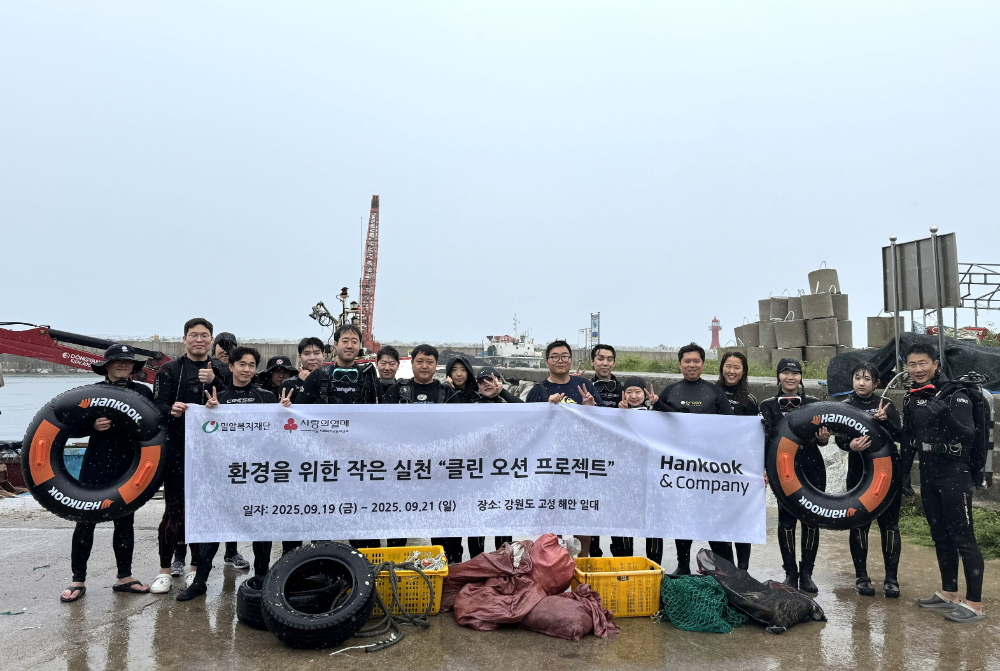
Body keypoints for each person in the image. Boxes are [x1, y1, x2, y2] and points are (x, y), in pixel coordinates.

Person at [177, 347, 292, 601]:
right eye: (242, 364)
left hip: (257, 475)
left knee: (261, 527)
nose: (247, 369)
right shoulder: (217, 398)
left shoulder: (266, 398)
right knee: (216, 526)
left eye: (252, 365)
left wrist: (285, 411)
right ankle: (200, 581)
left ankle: (261, 577)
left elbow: (280, 435)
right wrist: (208, 412)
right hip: (225, 475)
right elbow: (204, 433)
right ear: (231, 366)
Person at [60, 345, 154, 602]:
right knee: (85, 521)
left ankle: (124, 577)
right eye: (117, 361)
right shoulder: (93, 393)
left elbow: (156, 428)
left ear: (134, 367)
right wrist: (92, 425)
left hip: (129, 465)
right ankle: (78, 579)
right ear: (107, 366)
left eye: (127, 361)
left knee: (125, 522)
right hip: (96, 463)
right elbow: (68, 428)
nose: (123, 365)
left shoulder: (143, 392)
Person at [904, 343, 986, 622]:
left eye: (923, 363)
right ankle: (949, 593)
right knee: (940, 535)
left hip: (954, 473)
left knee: (963, 537)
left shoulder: (955, 395)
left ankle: (974, 604)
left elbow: (969, 435)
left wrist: (946, 416)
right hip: (929, 474)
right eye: (912, 364)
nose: (918, 369)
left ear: (935, 364)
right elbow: (909, 438)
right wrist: (905, 475)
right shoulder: (912, 397)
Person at [150, 318, 231, 595]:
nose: (199, 340)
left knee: (203, 511)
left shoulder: (222, 369)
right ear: (184, 339)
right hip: (177, 449)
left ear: (212, 341)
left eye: (205, 335)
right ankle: (164, 570)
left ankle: (196, 569)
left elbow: (236, 401)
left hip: (211, 452)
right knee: (174, 510)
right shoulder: (169, 370)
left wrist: (217, 381)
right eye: (194, 335)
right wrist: (170, 409)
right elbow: (156, 406)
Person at [652, 343, 734, 574]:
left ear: (702, 364)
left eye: (696, 361)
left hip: (709, 467)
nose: (691, 365)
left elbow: (731, 427)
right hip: (680, 467)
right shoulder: (669, 392)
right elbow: (656, 427)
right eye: (687, 361)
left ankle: (723, 568)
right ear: (679, 364)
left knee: (713, 517)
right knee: (683, 516)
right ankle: (682, 565)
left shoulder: (714, 393)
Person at [301, 324, 383, 549]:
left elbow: (382, 415)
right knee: (323, 518)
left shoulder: (368, 376)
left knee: (362, 518)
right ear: (335, 344)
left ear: (360, 346)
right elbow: (299, 415)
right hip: (325, 461)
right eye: (345, 340)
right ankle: (321, 564)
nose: (349, 345)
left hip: (359, 461)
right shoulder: (319, 376)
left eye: (354, 341)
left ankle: (366, 565)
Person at [759, 357, 830, 593]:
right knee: (787, 521)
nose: (790, 377)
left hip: (812, 468)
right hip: (784, 470)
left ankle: (807, 573)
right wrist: (765, 469)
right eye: (785, 373)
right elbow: (765, 441)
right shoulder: (767, 406)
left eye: (795, 373)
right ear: (778, 376)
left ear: (801, 377)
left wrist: (823, 438)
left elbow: (823, 441)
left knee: (811, 521)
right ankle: (790, 572)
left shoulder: (813, 403)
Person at [526, 340, 600, 557]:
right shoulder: (538, 391)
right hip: (549, 464)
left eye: (565, 356)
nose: (561, 360)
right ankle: (552, 562)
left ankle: (582, 561)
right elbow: (527, 429)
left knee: (582, 512)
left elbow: (604, 423)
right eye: (555, 356)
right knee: (552, 513)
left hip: (580, 462)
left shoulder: (585, 386)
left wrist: (591, 409)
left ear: (571, 359)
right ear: (547, 361)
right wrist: (545, 410)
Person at [836, 362, 903, 598]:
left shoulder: (886, 405)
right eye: (857, 378)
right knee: (859, 525)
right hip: (858, 475)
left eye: (867, 379)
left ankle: (891, 579)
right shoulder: (845, 406)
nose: (861, 383)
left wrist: (885, 421)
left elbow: (900, 436)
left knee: (890, 526)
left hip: (886, 475)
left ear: (876, 383)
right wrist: (850, 445)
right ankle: (862, 577)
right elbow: (840, 440)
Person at [384, 344, 458, 556]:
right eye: (420, 361)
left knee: (439, 523)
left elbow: (461, 426)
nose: (424, 366)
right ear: (412, 363)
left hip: (438, 470)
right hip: (403, 469)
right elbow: (382, 426)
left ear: (436, 366)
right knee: (399, 523)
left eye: (429, 362)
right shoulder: (398, 390)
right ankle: (394, 567)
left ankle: (443, 567)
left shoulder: (447, 392)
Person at [467, 366, 521, 558]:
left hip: (503, 472)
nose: (487, 385)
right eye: (482, 382)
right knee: (476, 522)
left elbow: (529, 412)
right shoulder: (468, 404)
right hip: (477, 473)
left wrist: (503, 392)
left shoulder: (508, 404)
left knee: (504, 521)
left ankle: (503, 565)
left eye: (492, 380)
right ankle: (476, 563)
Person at [606, 377, 661, 560]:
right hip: (624, 478)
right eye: (629, 392)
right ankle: (625, 563)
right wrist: (621, 416)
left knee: (653, 523)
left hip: (651, 477)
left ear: (645, 393)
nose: (634, 396)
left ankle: (654, 567)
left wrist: (658, 406)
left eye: (638, 391)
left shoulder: (655, 412)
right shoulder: (615, 414)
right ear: (623, 394)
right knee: (625, 521)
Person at [715, 351, 758, 571]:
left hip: (740, 469)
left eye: (737, 367)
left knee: (741, 518)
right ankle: (724, 567)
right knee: (716, 517)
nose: (732, 371)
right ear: (722, 368)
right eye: (728, 366)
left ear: (744, 371)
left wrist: (759, 470)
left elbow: (756, 440)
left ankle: (743, 569)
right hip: (711, 468)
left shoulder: (749, 401)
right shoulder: (711, 393)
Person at [278, 337, 327, 404]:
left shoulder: (331, 379)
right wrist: (300, 383)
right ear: (300, 357)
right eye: (307, 354)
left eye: (316, 353)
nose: (312, 358)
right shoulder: (289, 383)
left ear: (323, 356)